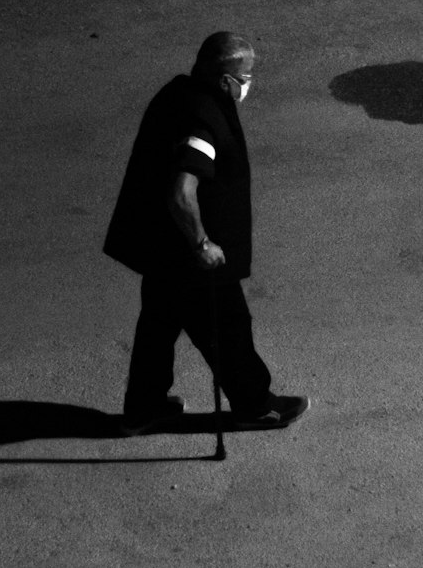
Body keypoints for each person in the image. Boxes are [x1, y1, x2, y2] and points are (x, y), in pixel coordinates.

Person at [103, 31, 309, 437]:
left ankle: (143, 410)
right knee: (229, 329)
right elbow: (182, 191)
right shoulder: (202, 116)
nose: (247, 83)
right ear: (222, 79)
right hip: (191, 255)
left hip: (161, 247)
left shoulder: (178, 93)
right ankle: (255, 406)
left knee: (157, 327)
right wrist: (202, 243)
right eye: (244, 77)